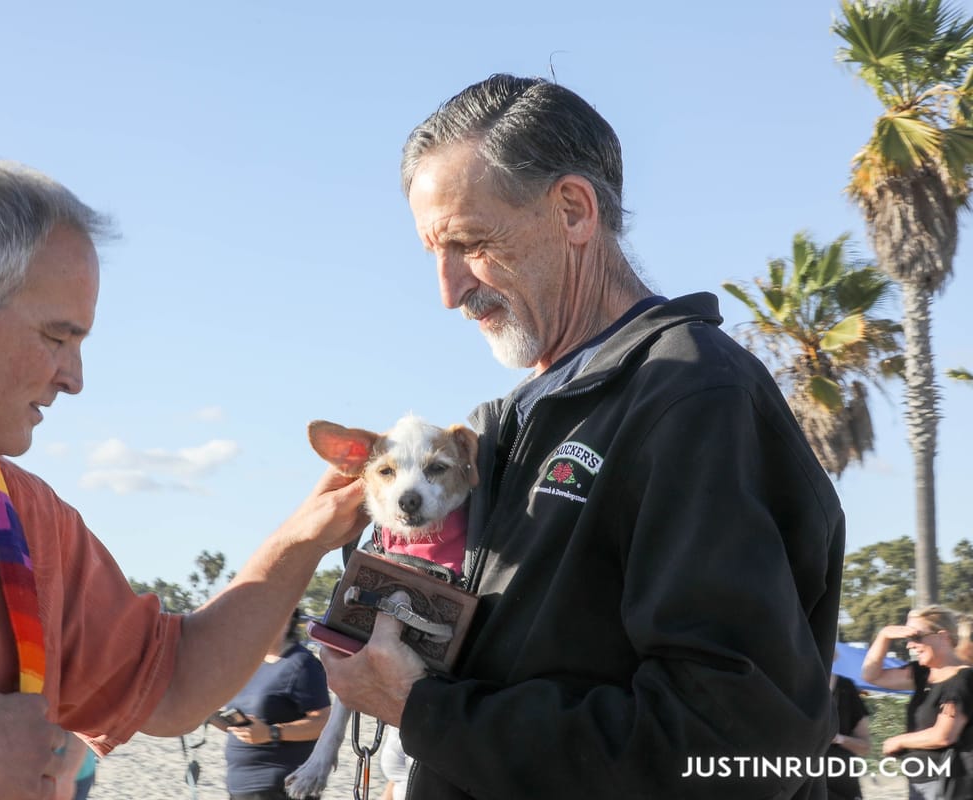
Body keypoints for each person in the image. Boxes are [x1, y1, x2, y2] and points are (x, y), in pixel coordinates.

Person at [0, 155, 368, 799]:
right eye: (58, 337)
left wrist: (311, 531)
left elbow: (169, 685)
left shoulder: (28, 518)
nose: (75, 378)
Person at [319, 74, 845, 799]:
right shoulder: (494, 430)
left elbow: (735, 745)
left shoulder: (691, 395)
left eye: (468, 244)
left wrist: (425, 712)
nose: (446, 291)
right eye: (431, 254)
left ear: (573, 210)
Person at [862, 606, 973, 800]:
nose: (909, 645)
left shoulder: (962, 678)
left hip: (946, 784)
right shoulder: (923, 674)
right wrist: (884, 636)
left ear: (943, 636)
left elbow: (943, 735)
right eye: (907, 639)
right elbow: (871, 675)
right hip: (922, 782)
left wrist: (898, 741)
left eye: (917, 637)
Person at [220, 608, 331, 799]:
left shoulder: (302, 664)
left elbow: (324, 723)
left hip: (280, 786)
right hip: (239, 787)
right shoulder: (250, 665)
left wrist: (272, 733)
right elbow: (248, 726)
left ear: (286, 620)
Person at [827, 652, 871, 800]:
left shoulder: (846, 688)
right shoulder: (792, 687)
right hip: (801, 785)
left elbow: (865, 747)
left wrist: (839, 739)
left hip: (843, 787)